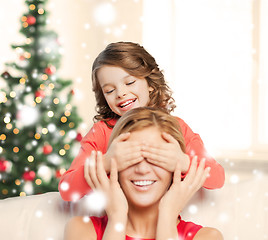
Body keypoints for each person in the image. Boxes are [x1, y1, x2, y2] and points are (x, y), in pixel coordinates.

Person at [59, 41, 225, 202]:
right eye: (109, 90)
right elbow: (67, 190)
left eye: (130, 82)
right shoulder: (101, 132)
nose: (121, 93)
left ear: (150, 84)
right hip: (117, 224)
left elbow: (217, 178)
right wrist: (107, 162)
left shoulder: (176, 127)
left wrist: (182, 162)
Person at [64, 107, 223, 240]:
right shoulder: (81, 230)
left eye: (155, 158)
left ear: (176, 168)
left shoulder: (207, 236)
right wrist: (116, 218)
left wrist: (167, 217)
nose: (142, 169)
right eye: (131, 157)